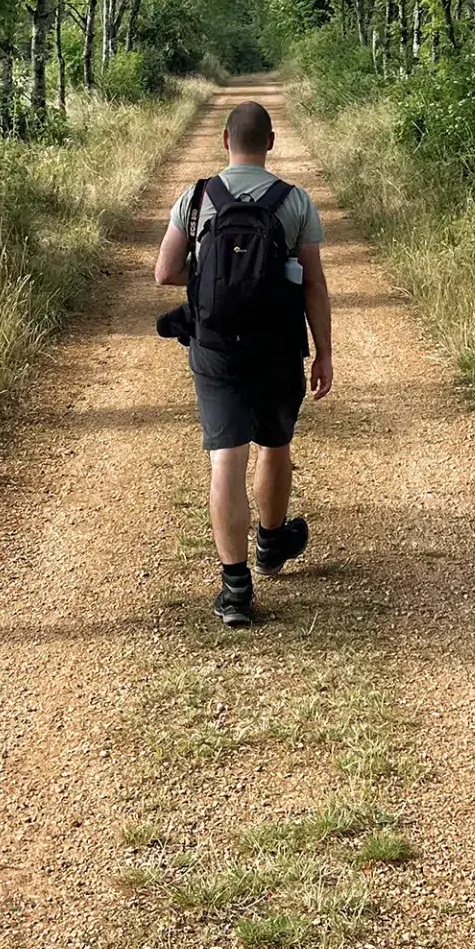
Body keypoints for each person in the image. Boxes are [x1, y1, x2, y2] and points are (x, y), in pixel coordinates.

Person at [153, 98, 334, 627]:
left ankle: (234, 590)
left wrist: (216, 279)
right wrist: (324, 352)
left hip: (214, 345)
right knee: (274, 444)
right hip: (278, 345)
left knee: (225, 457)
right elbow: (316, 287)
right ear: (270, 144)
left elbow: (164, 273)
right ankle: (272, 544)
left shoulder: (196, 197)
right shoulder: (295, 202)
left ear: (225, 142)